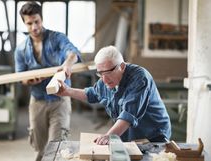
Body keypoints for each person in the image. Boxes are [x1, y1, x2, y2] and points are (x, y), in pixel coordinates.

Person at [57, 45, 171, 145]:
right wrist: (67, 91)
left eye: (108, 73)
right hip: (129, 136)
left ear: (121, 66)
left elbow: (128, 115)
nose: (104, 79)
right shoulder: (104, 79)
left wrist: (108, 136)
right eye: (100, 73)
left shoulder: (140, 78)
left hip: (153, 136)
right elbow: (92, 94)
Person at [14, 2, 81, 161]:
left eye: (36, 21)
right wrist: (29, 80)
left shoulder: (57, 38)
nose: (34, 27)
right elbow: (19, 76)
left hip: (60, 99)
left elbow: (73, 52)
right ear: (24, 23)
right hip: (37, 101)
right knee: (39, 147)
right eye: (29, 23)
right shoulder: (21, 49)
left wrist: (67, 64)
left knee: (57, 146)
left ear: (41, 19)